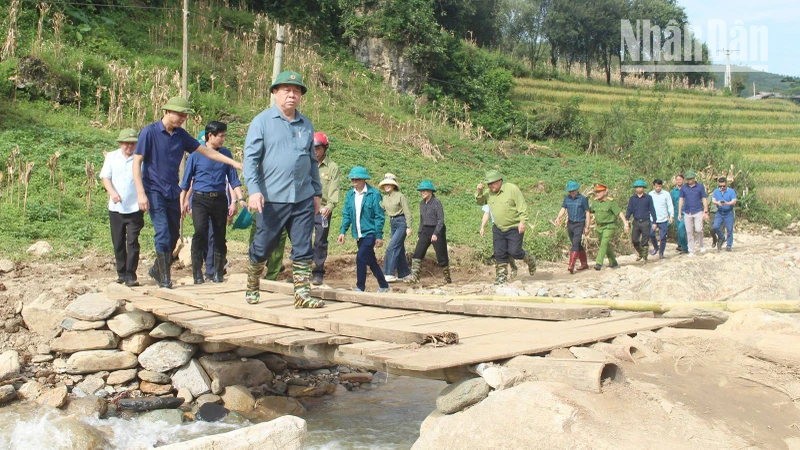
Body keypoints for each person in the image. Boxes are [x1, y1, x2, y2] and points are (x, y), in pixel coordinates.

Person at [133, 96, 242, 289]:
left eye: (185, 115)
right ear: (167, 112)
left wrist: (234, 163)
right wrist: (141, 193)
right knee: (163, 232)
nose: (183, 118)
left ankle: (157, 269)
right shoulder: (149, 133)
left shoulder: (181, 135)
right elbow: (137, 162)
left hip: (172, 190)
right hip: (154, 189)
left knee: (174, 234)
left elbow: (206, 151)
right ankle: (165, 278)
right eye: (180, 115)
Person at [243, 70, 324, 308]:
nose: (292, 95)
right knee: (263, 245)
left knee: (303, 246)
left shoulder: (306, 124)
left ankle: (302, 294)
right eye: (287, 90)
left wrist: (317, 192)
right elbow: (250, 159)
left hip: (302, 197)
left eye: (296, 91)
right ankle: (252, 283)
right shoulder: (262, 122)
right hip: (271, 197)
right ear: (275, 93)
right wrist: (254, 190)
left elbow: (311, 161)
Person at [179, 121, 245, 284]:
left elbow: (233, 179)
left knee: (219, 235)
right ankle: (197, 274)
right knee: (200, 233)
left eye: (224, 136)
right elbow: (186, 182)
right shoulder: (196, 154)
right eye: (220, 136)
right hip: (201, 199)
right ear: (210, 136)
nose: (223, 139)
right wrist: (182, 202)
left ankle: (217, 273)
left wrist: (240, 199)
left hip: (220, 199)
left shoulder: (226, 154)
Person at [475, 170, 536, 285]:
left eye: (492, 183)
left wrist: (523, 222)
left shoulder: (512, 189)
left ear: (500, 181)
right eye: (488, 184)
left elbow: (522, 206)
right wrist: (479, 191)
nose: (490, 186)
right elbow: (480, 201)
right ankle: (501, 277)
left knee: (515, 251)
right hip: (498, 227)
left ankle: (530, 260)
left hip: (514, 226)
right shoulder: (488, 193)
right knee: (500, 253)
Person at [100, 128, 144, 287]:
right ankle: (121, 272)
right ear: (120, 143)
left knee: (132, 242)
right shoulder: (112, 157)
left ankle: (131, 274)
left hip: (135, 207)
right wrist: (112, 193)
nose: (129, 147)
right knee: (118, 242)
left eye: (132, 144)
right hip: (116, 207)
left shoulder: (140, 159)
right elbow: (106, 177)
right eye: (126, 144)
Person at [337, 166, 391, 293]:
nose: (354, 182)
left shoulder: (374, 194)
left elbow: (379, 216)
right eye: (352, 180)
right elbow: (346, 215)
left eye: (357, 179)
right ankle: (384, 285)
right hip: (359, 234)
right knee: (370, 260)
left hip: (370, 232)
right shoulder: (350, 195)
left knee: (360, 257)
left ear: (364, 180)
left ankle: (360, 286)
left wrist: (378, 235)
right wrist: (342, 231)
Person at [408, 180, 451, 284]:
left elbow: (440, 220)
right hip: (425, 230)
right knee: (418, 253)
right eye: (421, 191)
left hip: (437, 230)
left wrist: (436, 233)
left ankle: (447, 278)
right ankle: (415, 277)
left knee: (442, 255)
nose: (423, 193)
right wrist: (419, 233)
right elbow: (422, 220)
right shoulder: (422, 203)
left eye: (425, 191)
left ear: (431, 191)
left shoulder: (436, 202)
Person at [312, 132, 340, 285]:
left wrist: (329, 205)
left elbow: (334, 189)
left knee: (320, 241)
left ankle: (318, 272)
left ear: (324, 148)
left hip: (322, 209)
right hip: (305, 207)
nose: (315, 151)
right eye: (313, 148)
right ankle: (300, 272)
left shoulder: (332, 167)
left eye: (318, 148)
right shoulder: (306, 164)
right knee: (300, 238)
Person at [379, 173, 413, 283]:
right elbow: (380, 209)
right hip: (392, 223)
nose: (387, 186)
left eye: (389, 184)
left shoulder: (400, 196)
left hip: (401, 222)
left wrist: (409, 226)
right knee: (399, 248)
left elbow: (407, 211)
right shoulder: (384, 198)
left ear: (394, 185)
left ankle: (389, 273)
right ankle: (404, 274)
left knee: (391, 247)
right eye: (385, 184)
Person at [552, 181, 591, 274]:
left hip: (579, 223)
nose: (572, 193)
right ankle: (584, 263)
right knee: (576, 243)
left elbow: (587, 212)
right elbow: (563, 209)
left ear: (577, 190)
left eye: (573, 191)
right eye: (570, 191)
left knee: (575, 243)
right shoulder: (567, 199)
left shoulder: (583, 199)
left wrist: (587, 227)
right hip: (570, 224)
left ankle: (571, 265)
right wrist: (558, 218)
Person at [590, 184, 629, 270]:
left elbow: (619, 213)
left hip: (609, 226)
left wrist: (625, 223)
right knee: (605, 244)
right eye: (597, 192)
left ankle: (598, 263)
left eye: (600, 192)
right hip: (599, 227)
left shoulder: (611, 202)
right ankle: (613, 261)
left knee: (604, 243)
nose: (598, 194)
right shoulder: (596, 203)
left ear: (605, 192)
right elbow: (589, 211)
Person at [480, 204, 519, 279]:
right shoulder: (489, 198)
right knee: (499, 251)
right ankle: (501, 275)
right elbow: (486, 214)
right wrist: (482, 227)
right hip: (497, 227)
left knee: (509, 250)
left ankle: (513, 267)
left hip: (508, 225)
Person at [677, 170, 709, 258]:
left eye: (691, 179)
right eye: (688, 179)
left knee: (699, 229)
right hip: (687, 212)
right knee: (689, 231)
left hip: (698, 210)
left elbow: (704, 198)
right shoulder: (684, 187)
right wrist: (679, 212)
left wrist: (705, 211)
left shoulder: (700, 187)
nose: (689, 180)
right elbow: (681, 199)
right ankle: (691, 250)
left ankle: (701, 245)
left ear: (694, 178)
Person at [625, 180, 657, 263]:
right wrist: (627, 219)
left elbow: (652, 210)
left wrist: (654, 222)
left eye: (640, 187)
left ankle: (645, 258)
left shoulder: (648, 198)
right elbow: (629, 209)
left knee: (645, 241)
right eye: (637, 187)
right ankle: (641, 253)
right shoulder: (632, 198)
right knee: (634, 240)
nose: (639, 189)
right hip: (636, 222)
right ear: (635, 189)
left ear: (643, 188)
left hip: (645, 221)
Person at [648, 179, 674, 259]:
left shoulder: (666, 194)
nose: (658, 188)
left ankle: (661, 253)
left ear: (661, 186)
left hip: (663, 219)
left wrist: (671, 215)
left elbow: (670, 205)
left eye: (659, 186)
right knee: (651, 234)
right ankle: (656, 247)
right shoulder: (650, 194)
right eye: (656, 186)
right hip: (653, 219)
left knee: (663, 237)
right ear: (654, 186)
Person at [711, 177, 737, 251]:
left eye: (723, 186)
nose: (722, 188)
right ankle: (722, 237)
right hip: (719, 212)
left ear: (726, 184)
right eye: (720, 186)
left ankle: (729, 245)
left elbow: (734, 201)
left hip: (729, 212)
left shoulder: (731, 191)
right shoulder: (716, 191)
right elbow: (713, 200)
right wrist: (717, 203)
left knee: (729, 229)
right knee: (715, 227)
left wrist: (727, 203)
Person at [670, 174, 688, 253]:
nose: (678, 181)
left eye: (680, 179)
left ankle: (685, 247)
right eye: (677, 179)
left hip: (686, 212)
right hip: (677, 212)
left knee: (681, 228)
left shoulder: (687, 189)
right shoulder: (673, 192)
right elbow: (671, 203)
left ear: (683, 180)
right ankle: (680, 245)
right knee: (679, 229)